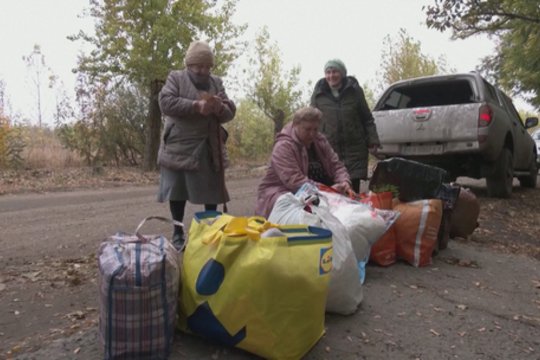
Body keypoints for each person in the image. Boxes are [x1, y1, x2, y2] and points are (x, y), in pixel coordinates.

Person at [157, 40, 236, 250]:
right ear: (189, 65)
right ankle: (177, 233)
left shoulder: (216, 82)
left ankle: (209, 232)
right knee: (178, 191)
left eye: (207, 67)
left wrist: (219, 108)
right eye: (198, 66)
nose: (203, 71)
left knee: (211, 191)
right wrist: (195, 106)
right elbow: (165, 103)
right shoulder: (176, 78)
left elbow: (230, 112)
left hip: (208, 146)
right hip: (178, 146)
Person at [255, 106, 352, 218]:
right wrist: (328, 191)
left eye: (315, 129)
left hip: (319, 194)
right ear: (295, 125)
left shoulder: (320, 141)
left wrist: (344, 182)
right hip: (285, 194)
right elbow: (295, 181)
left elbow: (336, 165)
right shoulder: (283, 147)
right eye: (307, 129)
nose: (312, 134)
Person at [310, 59, 380, 193]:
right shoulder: (318, 93)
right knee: (333, 193)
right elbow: (311, 120)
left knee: (352, 192)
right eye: (328, 72)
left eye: (335, 71)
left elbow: (367, 118)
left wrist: (373, 140)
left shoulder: (354, 91)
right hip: (329, 149)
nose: (331, 76)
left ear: (342, 73)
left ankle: (356, 213)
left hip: (355, 149)